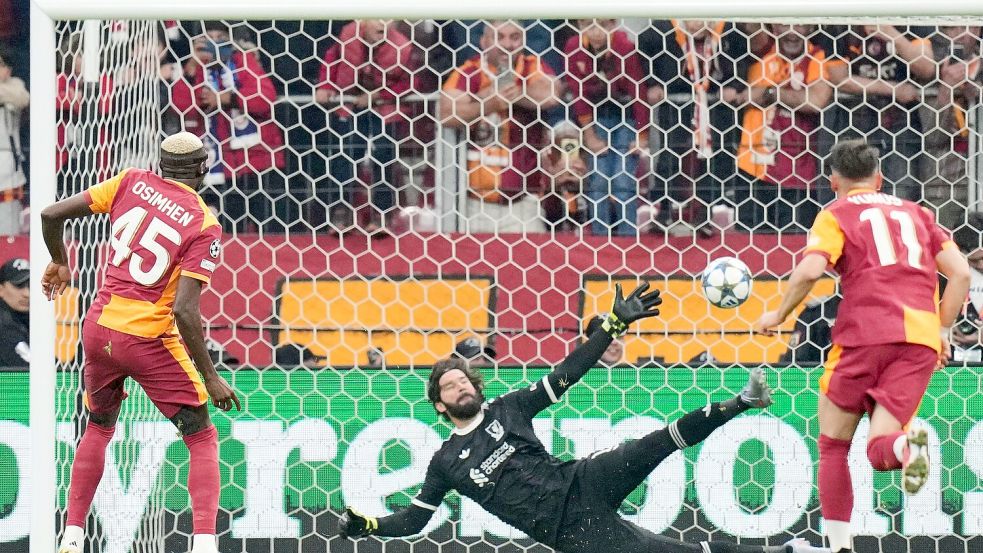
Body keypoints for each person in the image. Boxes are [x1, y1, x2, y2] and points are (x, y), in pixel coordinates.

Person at [338, 282, 828, 553]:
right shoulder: (446, 463)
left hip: (582, 480)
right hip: (570, 533)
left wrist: (612, 324)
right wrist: (368, 525)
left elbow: (567, 372)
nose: (461, 384)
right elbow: (412, 520)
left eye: (464, 379)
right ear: (440, 405)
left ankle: (742, 401)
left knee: (656, 442)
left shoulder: (508, 408)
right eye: (449, 385)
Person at [753, 139, 971, 553]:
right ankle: (907, 446)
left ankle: (840, 548)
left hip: (863, 336)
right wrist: (942, 332)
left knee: (834, 445)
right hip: (919, 341)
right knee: (880, 449)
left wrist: (777, 315)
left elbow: (811, 269)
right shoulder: (919, 214)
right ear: (880, 176)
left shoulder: (834, 214)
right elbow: (959, 274)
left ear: (833, 180)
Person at [41, 131, 240, 553]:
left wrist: (60, 260)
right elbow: (185, 310)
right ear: (203, 169)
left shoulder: (130, 181)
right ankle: (204, 543)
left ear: (161, 164)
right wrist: (211, 376)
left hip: (98, 331)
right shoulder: (204, 224)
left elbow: (51, 213)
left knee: (98, 426)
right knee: (200, 436)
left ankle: (72, 534)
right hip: (148, 338)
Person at [439, 20, 560, 234]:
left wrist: (517, 94)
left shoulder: (533, 65)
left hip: (523, 205)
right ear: (484, 41)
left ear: (523, 41)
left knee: (533, 264)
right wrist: (490, 102)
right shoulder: (470, 70)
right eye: (499, 37)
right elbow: (447, 112)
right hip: (474, 205)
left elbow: (550, 94)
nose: (507, 44)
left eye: (514, 38)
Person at [170, 20, 286, 234]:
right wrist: (192, 67)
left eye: (220, 38)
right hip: (218, 165)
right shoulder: (194, 70)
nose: (214, 43)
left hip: (257, 159)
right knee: (230, 235)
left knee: (270, 233)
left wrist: (228, 98)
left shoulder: (243, 62)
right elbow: (180, 106)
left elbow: (265, 99)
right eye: (208, 38)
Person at [315, 19, 416, 234]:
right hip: (351, 104)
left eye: (388, 18)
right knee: (346, 156)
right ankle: (342, 213)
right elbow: (331, 59)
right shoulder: (348, 36)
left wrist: (378, 95)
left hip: (386, 109)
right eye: (377, 18)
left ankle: (382, 214)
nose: (383, 23)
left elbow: (411, 82)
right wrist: (325, 84)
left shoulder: (402, 46)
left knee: (383, 157)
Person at [734, 23, 832, 232]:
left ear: (812, 26)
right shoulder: (762, 49)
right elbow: (751, 24)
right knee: (749, 243)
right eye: (783, 23)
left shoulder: (817, 56)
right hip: (754, 167)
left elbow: (816, 100)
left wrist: (770, 94)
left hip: (798, 171)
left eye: (799, 23)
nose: (792, 31)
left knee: (794, 247)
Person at [827, 25, 935, 203]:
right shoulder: (841, 26)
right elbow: (839, 79)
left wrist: (890, 33)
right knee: (855, 191)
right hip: (856, 118)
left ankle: (895, 230)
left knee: (902, 192)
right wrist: (893, 89)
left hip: (902, 121)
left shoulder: (910, 19)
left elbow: (926, 68)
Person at [563, 19, 649, 237]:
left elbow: (638, 89)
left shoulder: (624, 46)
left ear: (612, 25)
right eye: (587, 25)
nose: (595, 32)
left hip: (625, 116)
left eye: (601, 25)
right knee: (599, 178)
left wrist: (642, 132)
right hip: (596, 117)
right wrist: (589, 135)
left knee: (622, 179)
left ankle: (628, 238)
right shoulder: (574, 47)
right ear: (579, 26)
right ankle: (599, 238)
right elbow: (578, 92)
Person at [0, 48, 28, 236]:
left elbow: (23, 99)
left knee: (8, 228)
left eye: (3, 65)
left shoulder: (16, 85)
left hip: (7, 163)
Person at [0, 257, 29, 368]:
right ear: (1, 289)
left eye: (30, 285)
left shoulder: (31, 320)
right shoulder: (4, 326)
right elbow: (29, 370)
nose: (27, 293)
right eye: (19, 285)